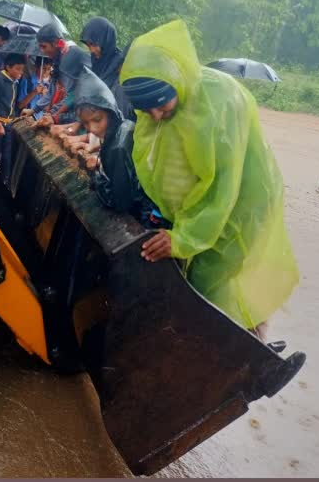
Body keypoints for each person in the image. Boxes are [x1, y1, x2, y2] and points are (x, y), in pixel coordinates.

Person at [120, 19, 299, 334]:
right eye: (146, 111)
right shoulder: (161, 109)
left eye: (161, 106)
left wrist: (184, 238)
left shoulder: (219, 103)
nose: (156, 116)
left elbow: (221, 187)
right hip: (201, 213)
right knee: (203, 281)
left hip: (240, 206)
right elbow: (156, 159)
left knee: (217, 280)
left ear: (176, 82)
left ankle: (246, 356)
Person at [71, 69, 161, 226]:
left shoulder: (118, 147)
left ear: (110, 112)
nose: (92, 128)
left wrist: (95, 174)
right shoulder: (125, 125)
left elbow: (119, 202)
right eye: (85, 123)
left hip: (143, 218)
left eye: (97, 120)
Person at [0, 53, 27, 179]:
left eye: (22, 69)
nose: (20, 72)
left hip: (8, 123)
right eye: (18, 69)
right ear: (8, 67)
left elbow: (10, 105)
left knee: (7, 157)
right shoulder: (0, 81)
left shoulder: (13, 82)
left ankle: (3, 183)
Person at [81, 16, 133, 118]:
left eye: (93, 44)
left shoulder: (120, 67)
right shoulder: (97, 67)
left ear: (106, 41)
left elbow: (121, 112)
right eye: (88, 46)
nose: (91, 50)